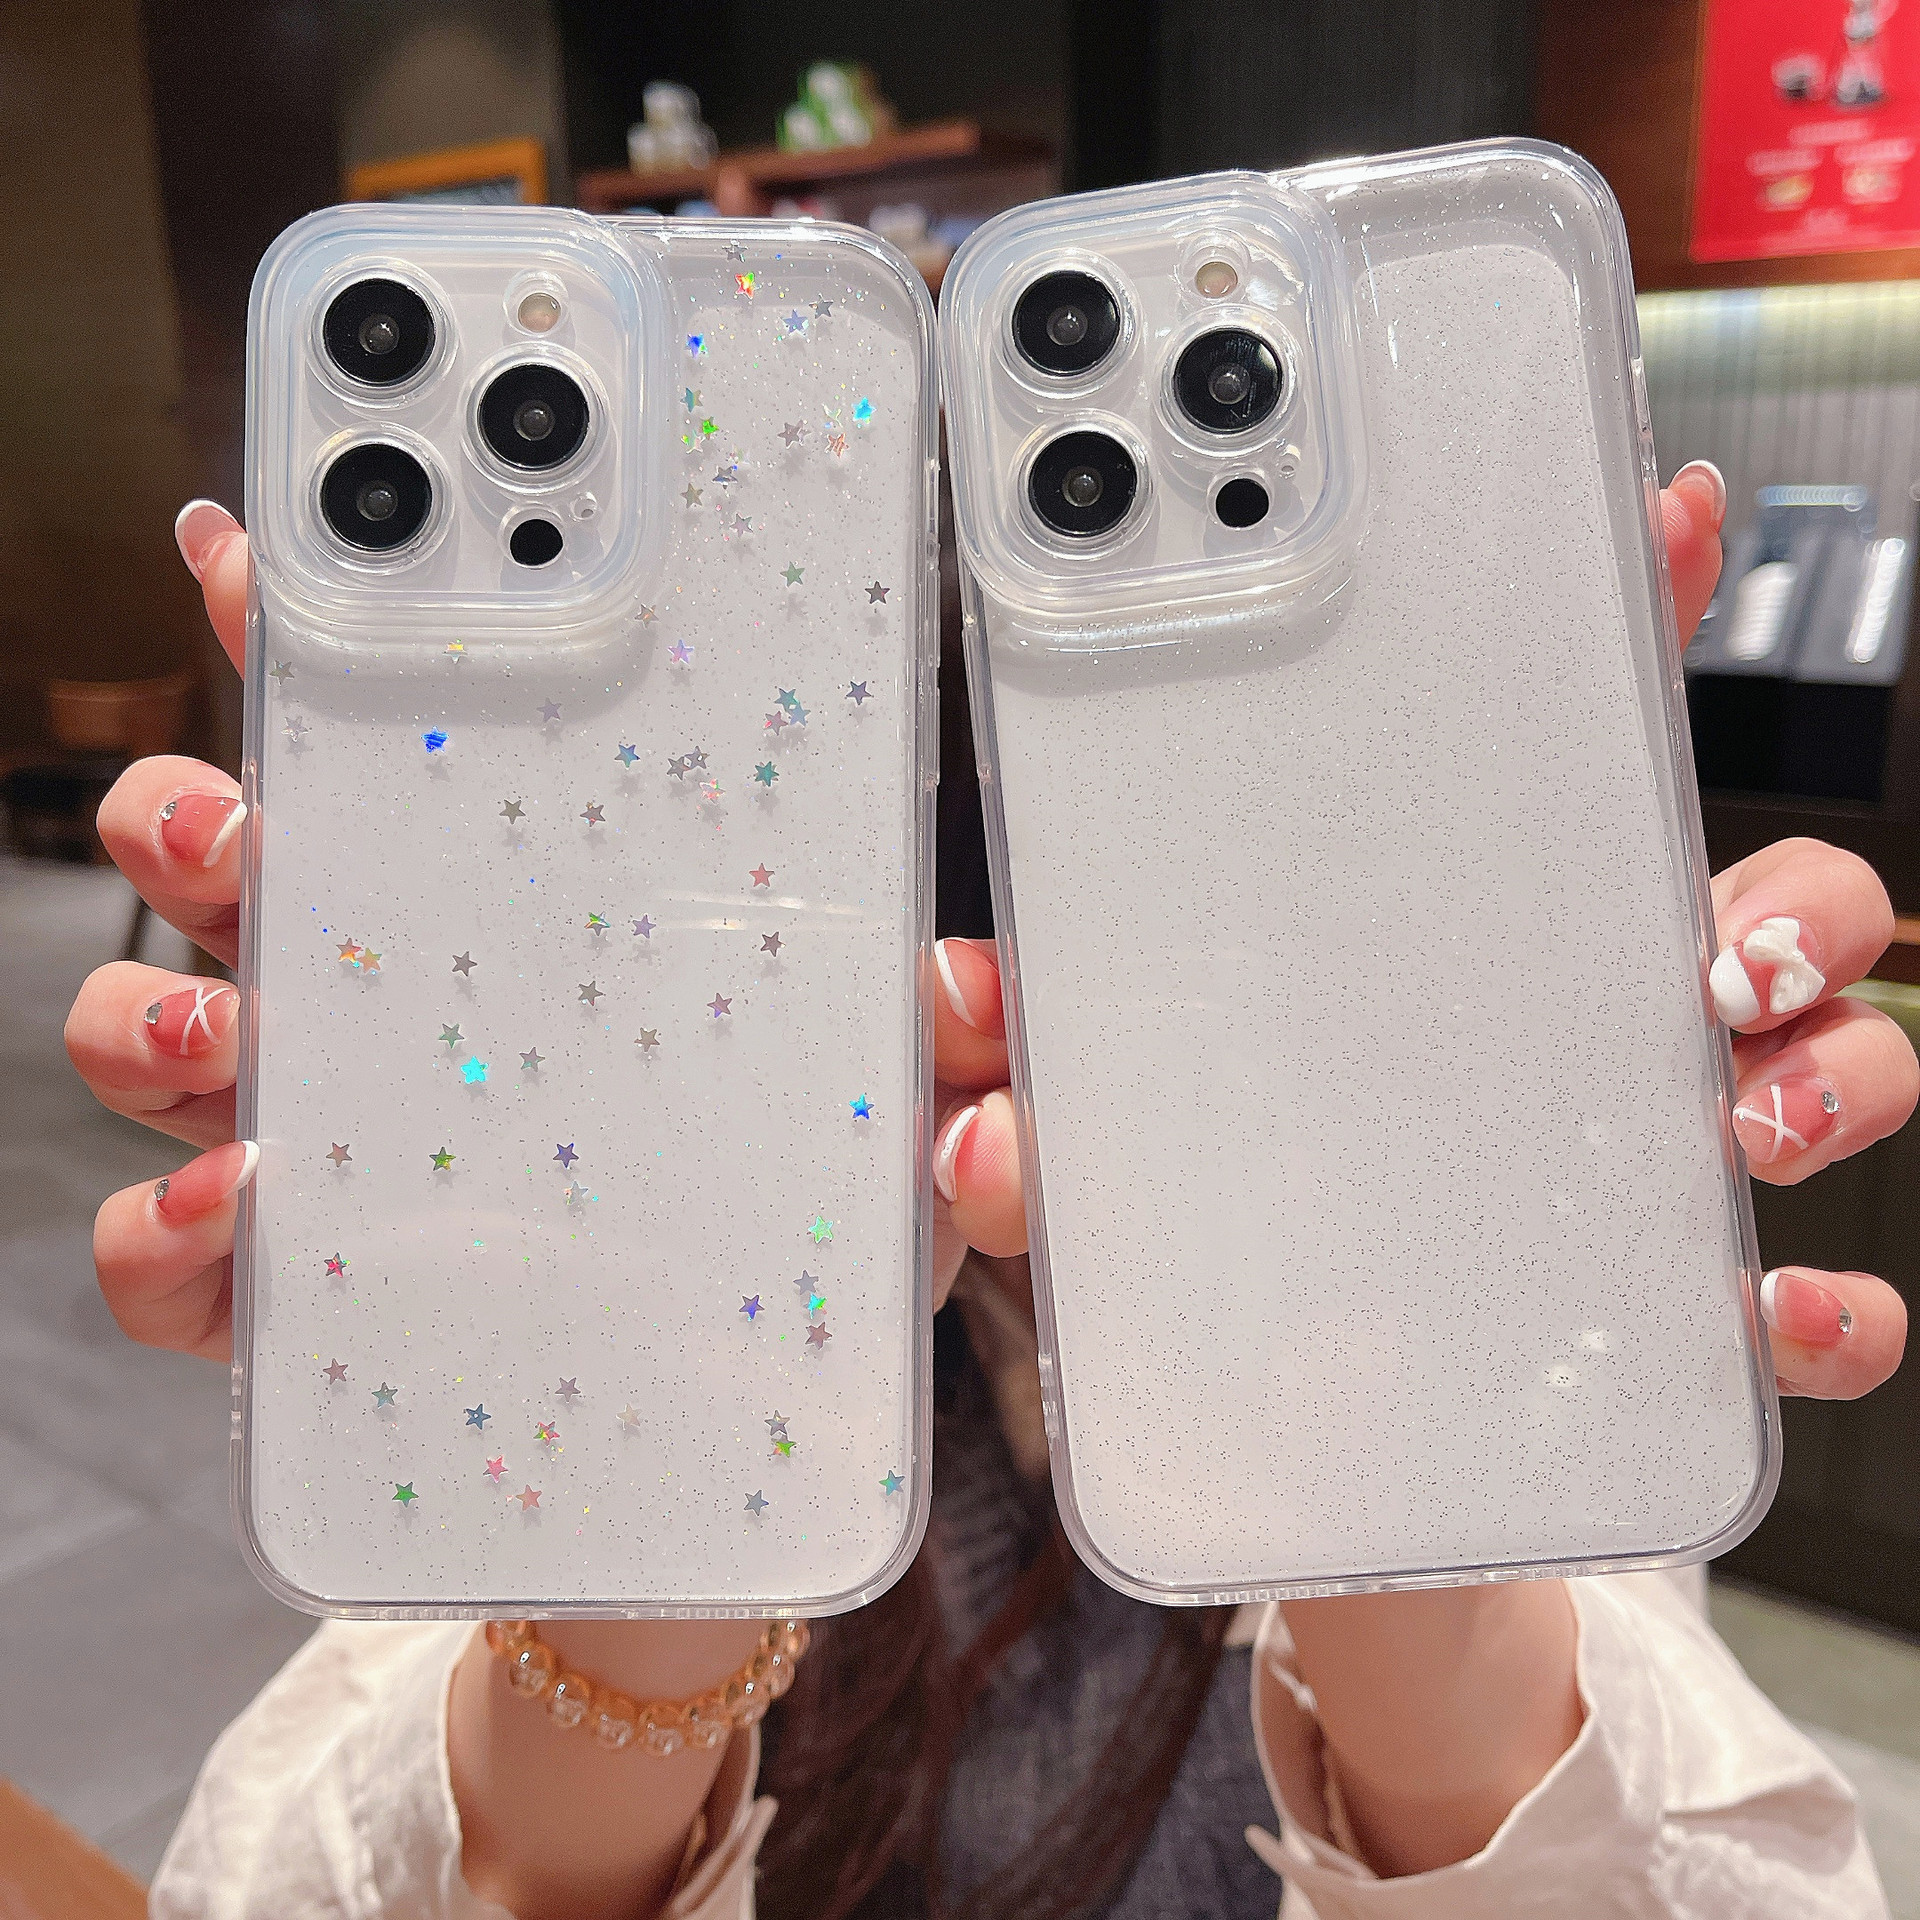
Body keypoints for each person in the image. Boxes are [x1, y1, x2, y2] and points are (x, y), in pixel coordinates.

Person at [68, 466, 1914, 1920]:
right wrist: (654, 1443)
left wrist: (1362, 1426)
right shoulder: (640, 1182)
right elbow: (283, 1876)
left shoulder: (1464, 1271)